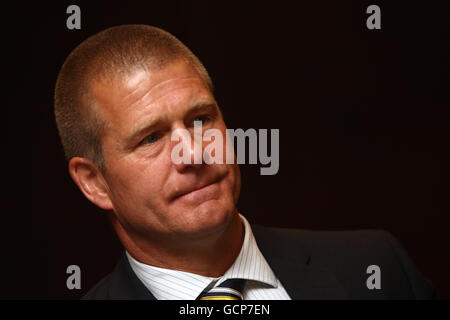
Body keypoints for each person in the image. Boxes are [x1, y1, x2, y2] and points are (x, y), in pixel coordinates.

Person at [54, 24, 434, 300]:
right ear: (95, 182)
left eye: (201, 119)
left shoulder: (377, 268)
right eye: (151, 137)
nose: (195, 152)